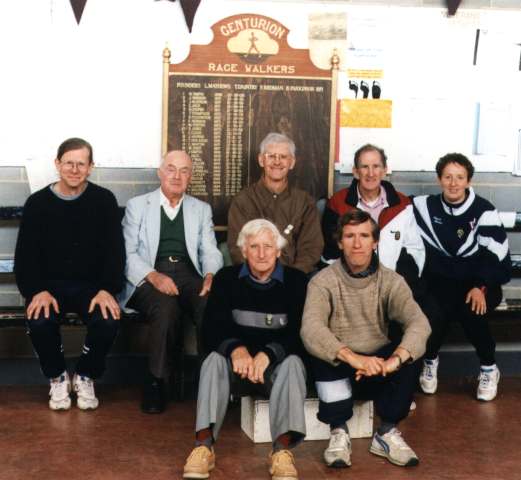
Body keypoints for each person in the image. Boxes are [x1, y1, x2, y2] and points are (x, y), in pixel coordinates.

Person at [301, 210, 431, 468]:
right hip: (340, 366)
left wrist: (393, 361)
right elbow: (311, 328)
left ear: (375, 242)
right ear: (339, 242)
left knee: (411, 350)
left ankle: (386, 433)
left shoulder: (391, 280)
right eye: (349, 236)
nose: (357, 243)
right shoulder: (322, 281)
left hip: (377, 368)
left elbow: (420, 323)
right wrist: (353, 358)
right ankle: (338, 431)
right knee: (321, 349)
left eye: (364, 236)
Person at [183, 219, 308, 480]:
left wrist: (269, 354)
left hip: (274, 370)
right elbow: (212, 328)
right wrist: (236, 349)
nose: (261, 253)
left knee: (294, 363)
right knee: (213, 361)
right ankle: (203, 447)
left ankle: (282, 452)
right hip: (236, 367)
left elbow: (300, 333)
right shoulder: (226, 279)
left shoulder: (297, 282)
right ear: (243, 251)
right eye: (254, 247)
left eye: (267, 246)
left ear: (278, 250)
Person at [14, 137, 125, 411]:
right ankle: (58, 376)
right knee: (39, 320)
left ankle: (86, 375)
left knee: (108, 318)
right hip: (48, 287)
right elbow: (25, 258)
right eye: (68, 163)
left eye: (81, 164)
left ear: (90, 167)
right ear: (57, 164)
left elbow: (115, 253)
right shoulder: (37, 203)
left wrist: (107, 289)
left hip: (92, 287)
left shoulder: (104, 200)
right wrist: (36, 291)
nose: (74, 170)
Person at [120, 150, 223, 414]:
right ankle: (157, 382)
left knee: (209, 305)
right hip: (148, 276)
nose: (177, 176)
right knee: (165, 308)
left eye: (184, 170)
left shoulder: (200, 209)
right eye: (171, 169)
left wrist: (210, 274)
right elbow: (127, 253)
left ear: (190, 176)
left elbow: (210, 250)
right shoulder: (138, 205)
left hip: (189, 273)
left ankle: (210, 383)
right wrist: (154, 276)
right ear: (160, 172)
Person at [413, 153, 511, 401]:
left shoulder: (484, 210)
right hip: (441, 284)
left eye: (460, 177)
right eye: (448, 177)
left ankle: (489, 367)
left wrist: (481, 286)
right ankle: (430, 360)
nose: (453, 183)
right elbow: (389, 204)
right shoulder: (424, 207)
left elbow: (494, 255)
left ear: (468, 181)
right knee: (432, 310)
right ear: (439, 179)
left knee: (471, 310)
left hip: (479, 284)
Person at [321, 144, 424, 291]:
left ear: (384, 170)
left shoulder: (402, 205)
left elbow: (414, 249)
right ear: (355, 172)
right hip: (350, 287)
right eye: (364, 167)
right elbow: (330, 254)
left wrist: (397, 284)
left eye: (376, 166)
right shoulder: (337, 203)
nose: (371, 173)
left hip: (392, 288)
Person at [227, 132, 323, 274]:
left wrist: (292, 277)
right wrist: (261, 278)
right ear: (261, 160)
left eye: (283, 157)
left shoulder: (304, 202)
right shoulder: (242, 201)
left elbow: (311, 248)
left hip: (294, 279)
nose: (277, 162)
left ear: (292, 162)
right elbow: (238, 248)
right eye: (271, 156)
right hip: (254, 279)